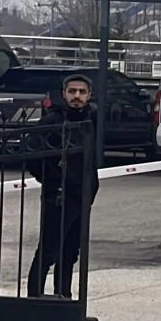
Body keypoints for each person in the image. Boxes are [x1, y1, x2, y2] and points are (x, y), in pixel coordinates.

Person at [27, 74, 99, 299]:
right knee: (48, 251)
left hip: (82, 197)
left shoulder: (90, 120)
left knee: (69, 253)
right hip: (58, 197)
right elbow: (31, 154)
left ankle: (64, 299)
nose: (77, 96)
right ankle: (34, 299)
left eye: (82, 92)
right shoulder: (52, 121)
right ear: (63, 94)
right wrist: (53, 179)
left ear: (89, 95)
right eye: (72, 91)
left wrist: (90, 189)